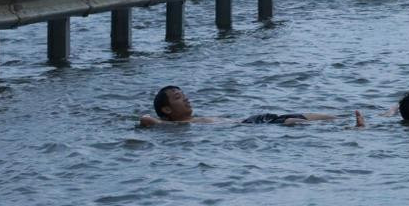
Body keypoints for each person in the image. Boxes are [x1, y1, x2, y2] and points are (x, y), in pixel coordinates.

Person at [138, 85, 345, 127]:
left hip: (250, 120)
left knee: (304, 115)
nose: (186, 99)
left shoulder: (191, 121)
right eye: (178, 97)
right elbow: (146, 119)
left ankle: (341, 119)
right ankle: (349, 129)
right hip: (249, 126)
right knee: (292, 122)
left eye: (184, 95)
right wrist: (161, 121)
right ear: (166, 109)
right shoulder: (176, 126)